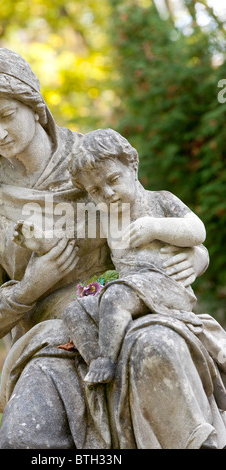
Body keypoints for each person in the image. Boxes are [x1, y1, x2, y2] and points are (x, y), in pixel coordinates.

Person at [0, 48, 225, 449]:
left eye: (6, 115)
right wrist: (30, 288)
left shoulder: (93, 159)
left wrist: (195, 257)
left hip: (135, 310)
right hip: (51, 339)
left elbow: (154, 214)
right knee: (23, 437)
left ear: (35, 105)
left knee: (157, 353)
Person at [65, 128, 206, 385]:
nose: (107, 193)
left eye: (113, 179)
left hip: (166, 285)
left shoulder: (160, 200)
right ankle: (98, 363)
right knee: (75, 311)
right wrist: (33, 238)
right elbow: (72, 240)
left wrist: (155, 227)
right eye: (96, 190)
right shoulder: (106, 219)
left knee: (117, 295)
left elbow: (197, 230)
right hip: (130, 291)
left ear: (133, 167)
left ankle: (108, 359)